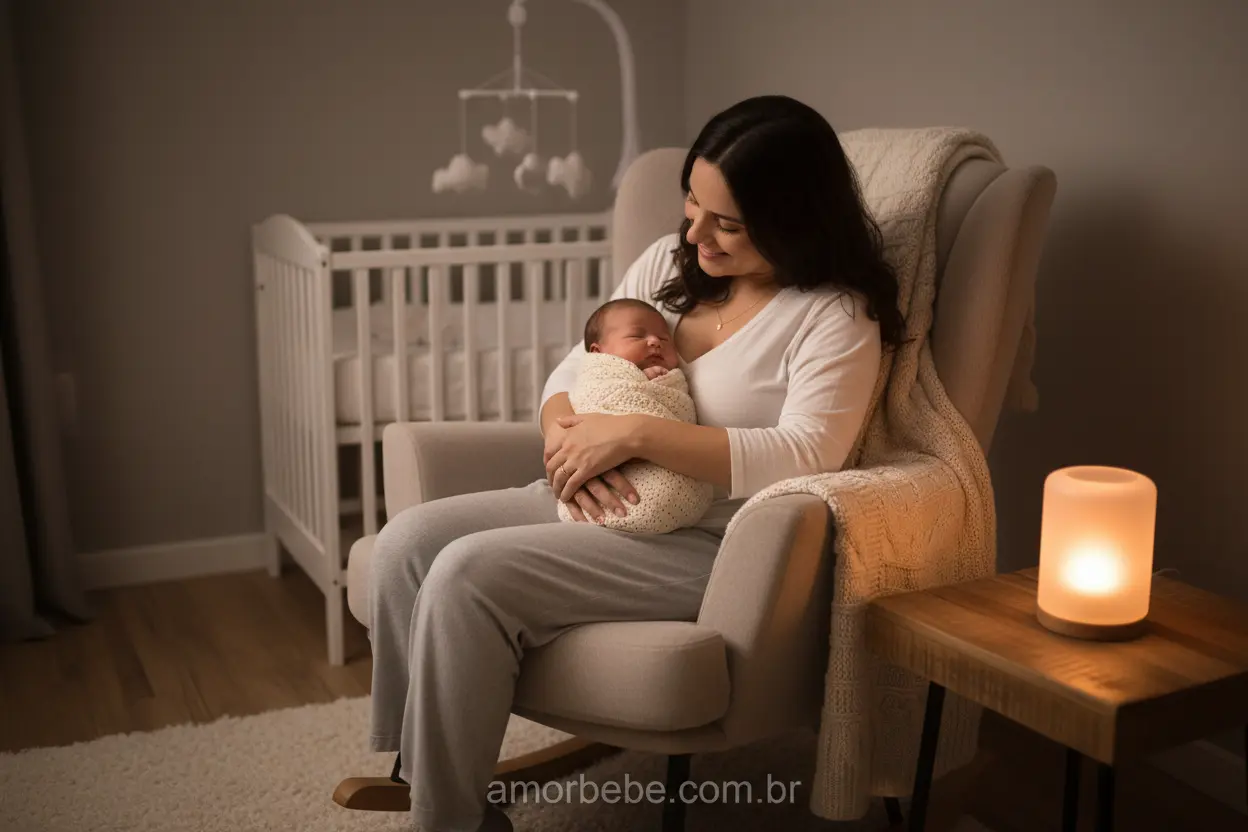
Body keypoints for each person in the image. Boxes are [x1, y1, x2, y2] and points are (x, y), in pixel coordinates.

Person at [366, 94, 906, 832]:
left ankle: (445, 819)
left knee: (466, 576)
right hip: (589, 494)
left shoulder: (833, 316)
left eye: (727, 223)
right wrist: (568, 434)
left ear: (794, 221)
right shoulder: (667, 263)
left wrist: (633, 437)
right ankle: (430, 776)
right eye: (693, 203)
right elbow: (571, 371)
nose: (696, 233)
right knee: (404, 547)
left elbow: (808, 455)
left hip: (709, 541)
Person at [554, 297, 714, 533]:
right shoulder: (602, 376)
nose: (654, 342)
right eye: (637, 337)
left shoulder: (668, 379)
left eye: (663, 339)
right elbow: (591, 399)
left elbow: (678, 411)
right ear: (599, 353)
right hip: (588, 481)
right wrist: (561, 438)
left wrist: (657, 383)